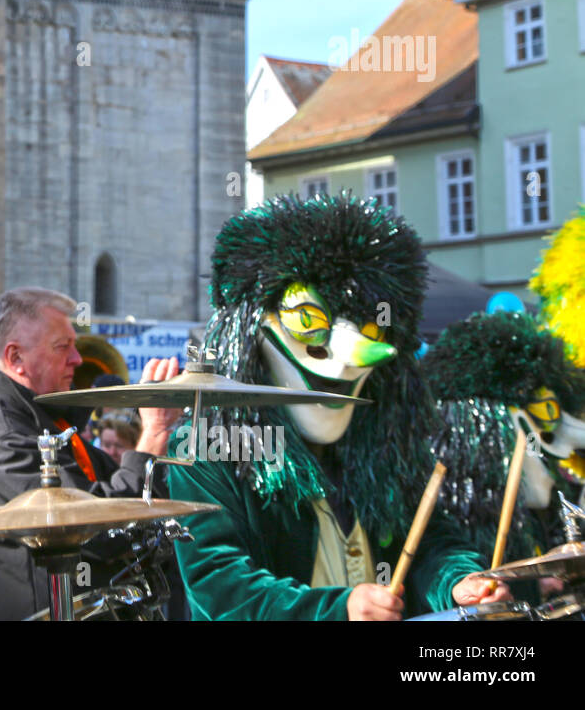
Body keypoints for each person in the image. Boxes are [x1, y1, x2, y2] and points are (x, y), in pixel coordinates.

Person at [166, 194, 509, 620]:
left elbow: (432, 543)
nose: (346, 359)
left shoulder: (380, 436)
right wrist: (337, 609)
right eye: (308, 319)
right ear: (247, 327)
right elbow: (219, 587)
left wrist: (458, 584)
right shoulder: (206, 445)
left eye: (369, 330)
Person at [0, 286, 181, 620]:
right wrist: (155, 432)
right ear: (15, 358)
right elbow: (100, 531)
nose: (78, 359)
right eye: (63, 347)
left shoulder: (45, 422)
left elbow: (120, 498)